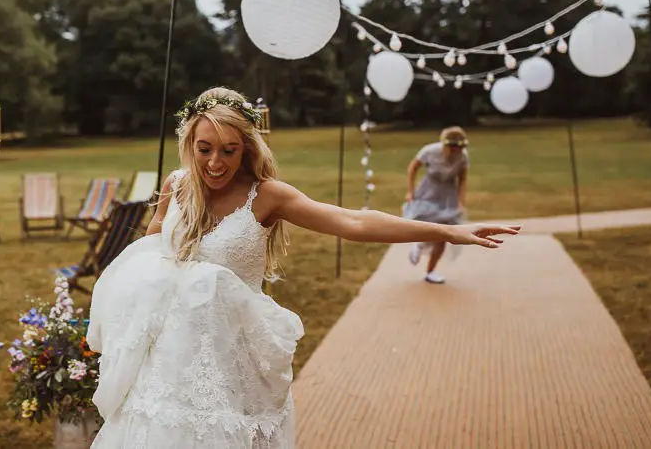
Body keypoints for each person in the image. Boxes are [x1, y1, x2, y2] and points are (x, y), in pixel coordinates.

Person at [86, 88, 518, 448]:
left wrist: (446, 231)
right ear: (189, 145)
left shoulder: (267, 196)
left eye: (229, 151)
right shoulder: (176, 187)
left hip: (230, 359)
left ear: (247, 148)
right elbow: (149, 251)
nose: (216, 162)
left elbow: (353, 221)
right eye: (205, 149)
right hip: (167, 360)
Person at [403, 126, 470, 284]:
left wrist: (461, 201)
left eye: (459, 147)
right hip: (428, 190)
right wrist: (411, 191)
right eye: (452, 147)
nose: (455, 151)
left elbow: (463, 179)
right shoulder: (430, 151)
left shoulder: (463, 157)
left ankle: (430, 271)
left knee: (443, 233)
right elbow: (413, 168)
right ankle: (418, 245)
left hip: (448, 194)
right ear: (445, 145)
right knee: (422, 222)